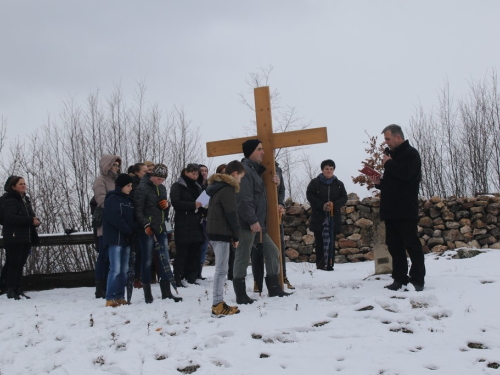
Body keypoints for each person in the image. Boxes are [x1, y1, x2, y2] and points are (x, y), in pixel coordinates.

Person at [233, 139, 291, 304]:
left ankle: (274, 289)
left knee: (273, 252)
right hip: (247, 224)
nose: (263, 152)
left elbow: (261, 197)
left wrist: (276, 183)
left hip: (258, 224)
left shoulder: (255, 171)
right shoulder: (244, 170)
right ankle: (241, 295)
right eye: (259, 149)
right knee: (243, 257)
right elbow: (243, 200)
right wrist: (252, 220)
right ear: (251, 151)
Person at [369, 124, 425, 291]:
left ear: (398, 137)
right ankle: (399, 278)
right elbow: (394, 184)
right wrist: (379, 183)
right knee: (394, 246)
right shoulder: (391, 157)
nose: (386, 143)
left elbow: (406, 175)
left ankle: (418, 279)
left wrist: (388, 164)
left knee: (412, 245)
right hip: (391, 209)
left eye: (387, 139)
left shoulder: (411, 154)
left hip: (405, 208)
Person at [135, 163, 182, 303]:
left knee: (165, 260)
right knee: (147, 261)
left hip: (161, 229)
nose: (160, 182)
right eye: (158, 179)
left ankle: (166, 292)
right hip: (148, 230)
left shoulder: (162, 188)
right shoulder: (141, 188)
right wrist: (145, 224)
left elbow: (165, 212)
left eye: (162, 180)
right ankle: (147, 294)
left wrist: (166, 206)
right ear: (152, 175)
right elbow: (138, 210)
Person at [206, 160, 245, 316]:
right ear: (234, 174)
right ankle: (217, 305)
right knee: (221, 270)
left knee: (221, 269)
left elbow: (201, 205)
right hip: (221, 232)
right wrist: (236, 235)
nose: (240, 181)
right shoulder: (227, 189)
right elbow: (231, 214)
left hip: (214, 230)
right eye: (240, 177)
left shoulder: (215, 187)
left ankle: (219, 302)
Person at [1, 176, 40, 300]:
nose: (23, 186)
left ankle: (18, 288)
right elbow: (9, 218)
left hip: (25, 236)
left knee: (20, 263)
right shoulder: (9, 200)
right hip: (13, 237)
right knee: (14, 263)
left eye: (24, 183)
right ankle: (10, 289)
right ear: (13, 187)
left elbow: (29, 215)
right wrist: (30, 220)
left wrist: (35, 220)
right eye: (20, 184)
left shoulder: (24, 199)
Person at [306, 159, 347, 270]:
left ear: (333, 170)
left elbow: (344, 198)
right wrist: (322, 205)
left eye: (331, 169)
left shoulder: (339, 184)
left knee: (331, 242)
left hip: (333, 218)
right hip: (319, 217)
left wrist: (334, 205)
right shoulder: (315, 183)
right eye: (326, 169)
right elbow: (310, 195)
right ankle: (320, 266)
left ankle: (330, 264)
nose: (329, 171)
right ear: (322, 170)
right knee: (319, 242)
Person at [170, 164, 205, 286]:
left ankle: (192, 277)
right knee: (182, 252)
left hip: (196, 223)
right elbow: (175, 202)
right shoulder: (177, 186)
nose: (195, 176)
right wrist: (192, 205)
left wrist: (203, 207)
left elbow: (201, 202)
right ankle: (178, 277)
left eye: (197, 174)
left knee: (195, 251)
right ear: (186, 172)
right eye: (193, 173)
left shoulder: (198, 187)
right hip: (183, 223)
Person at [102, 174, 134, 307]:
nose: (130, 188)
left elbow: (132, 219)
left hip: (126, 240)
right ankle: (110, 297)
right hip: (115, 238)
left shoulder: (129, 201)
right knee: (114, 268)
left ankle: (120, 295)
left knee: (124, 269)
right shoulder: (112, 199)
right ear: (121, 186)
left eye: (131, 186)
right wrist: (128, 229)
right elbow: (114, 217)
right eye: (128, 186)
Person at [93, 154, 122, 299]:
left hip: (117, 222)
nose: (116, 168)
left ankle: (110, 285)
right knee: (104, 256)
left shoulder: (117, 181)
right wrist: (117, 205)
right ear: (107, 166)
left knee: (113, 258)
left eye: (117, 165)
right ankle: (100, 287)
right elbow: (101, 199)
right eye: (113, 165)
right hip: (105, 222)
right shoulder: (101, 180)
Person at [129, 162, 148, 287]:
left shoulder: (146, 184)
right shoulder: (133, 186)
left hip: (145, 222)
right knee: (136, 252)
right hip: (136, 223)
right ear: (137, 172)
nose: (147, 174)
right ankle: (135, 278)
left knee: (143, 253)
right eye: (144, 172)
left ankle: (140, 277)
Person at [197, 163, 209, 280]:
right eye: (202, 170)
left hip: (208, 220)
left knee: (204, 247)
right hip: (197, 220)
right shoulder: (196, 185)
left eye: (206, 170)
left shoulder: (210, 185)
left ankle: (199, 272)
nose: (204, 172)